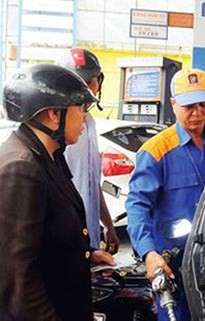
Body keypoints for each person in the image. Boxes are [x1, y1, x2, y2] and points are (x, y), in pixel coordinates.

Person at [0, 64, 115, 320]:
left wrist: (84, 255)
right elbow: (18, 279)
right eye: (81, 108)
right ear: (54, 114)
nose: (85, 117)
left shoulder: (50, 155)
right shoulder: (22, 168)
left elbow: (48, 238)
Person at [126, 68, 205, 320]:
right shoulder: (156, 151)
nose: (197, 112)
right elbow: (137, 205)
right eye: (188, 106)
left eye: (203, 104)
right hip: (172, 263)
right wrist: (149, 253)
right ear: (173, 105)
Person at [57, 47, 120, 254]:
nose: (86, 89)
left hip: (88, 240)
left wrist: (108, 225)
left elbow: (92, 182)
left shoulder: (90, 124)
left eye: (91, 81)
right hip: (67, 240)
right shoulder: (57, 129)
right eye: (77, 83)